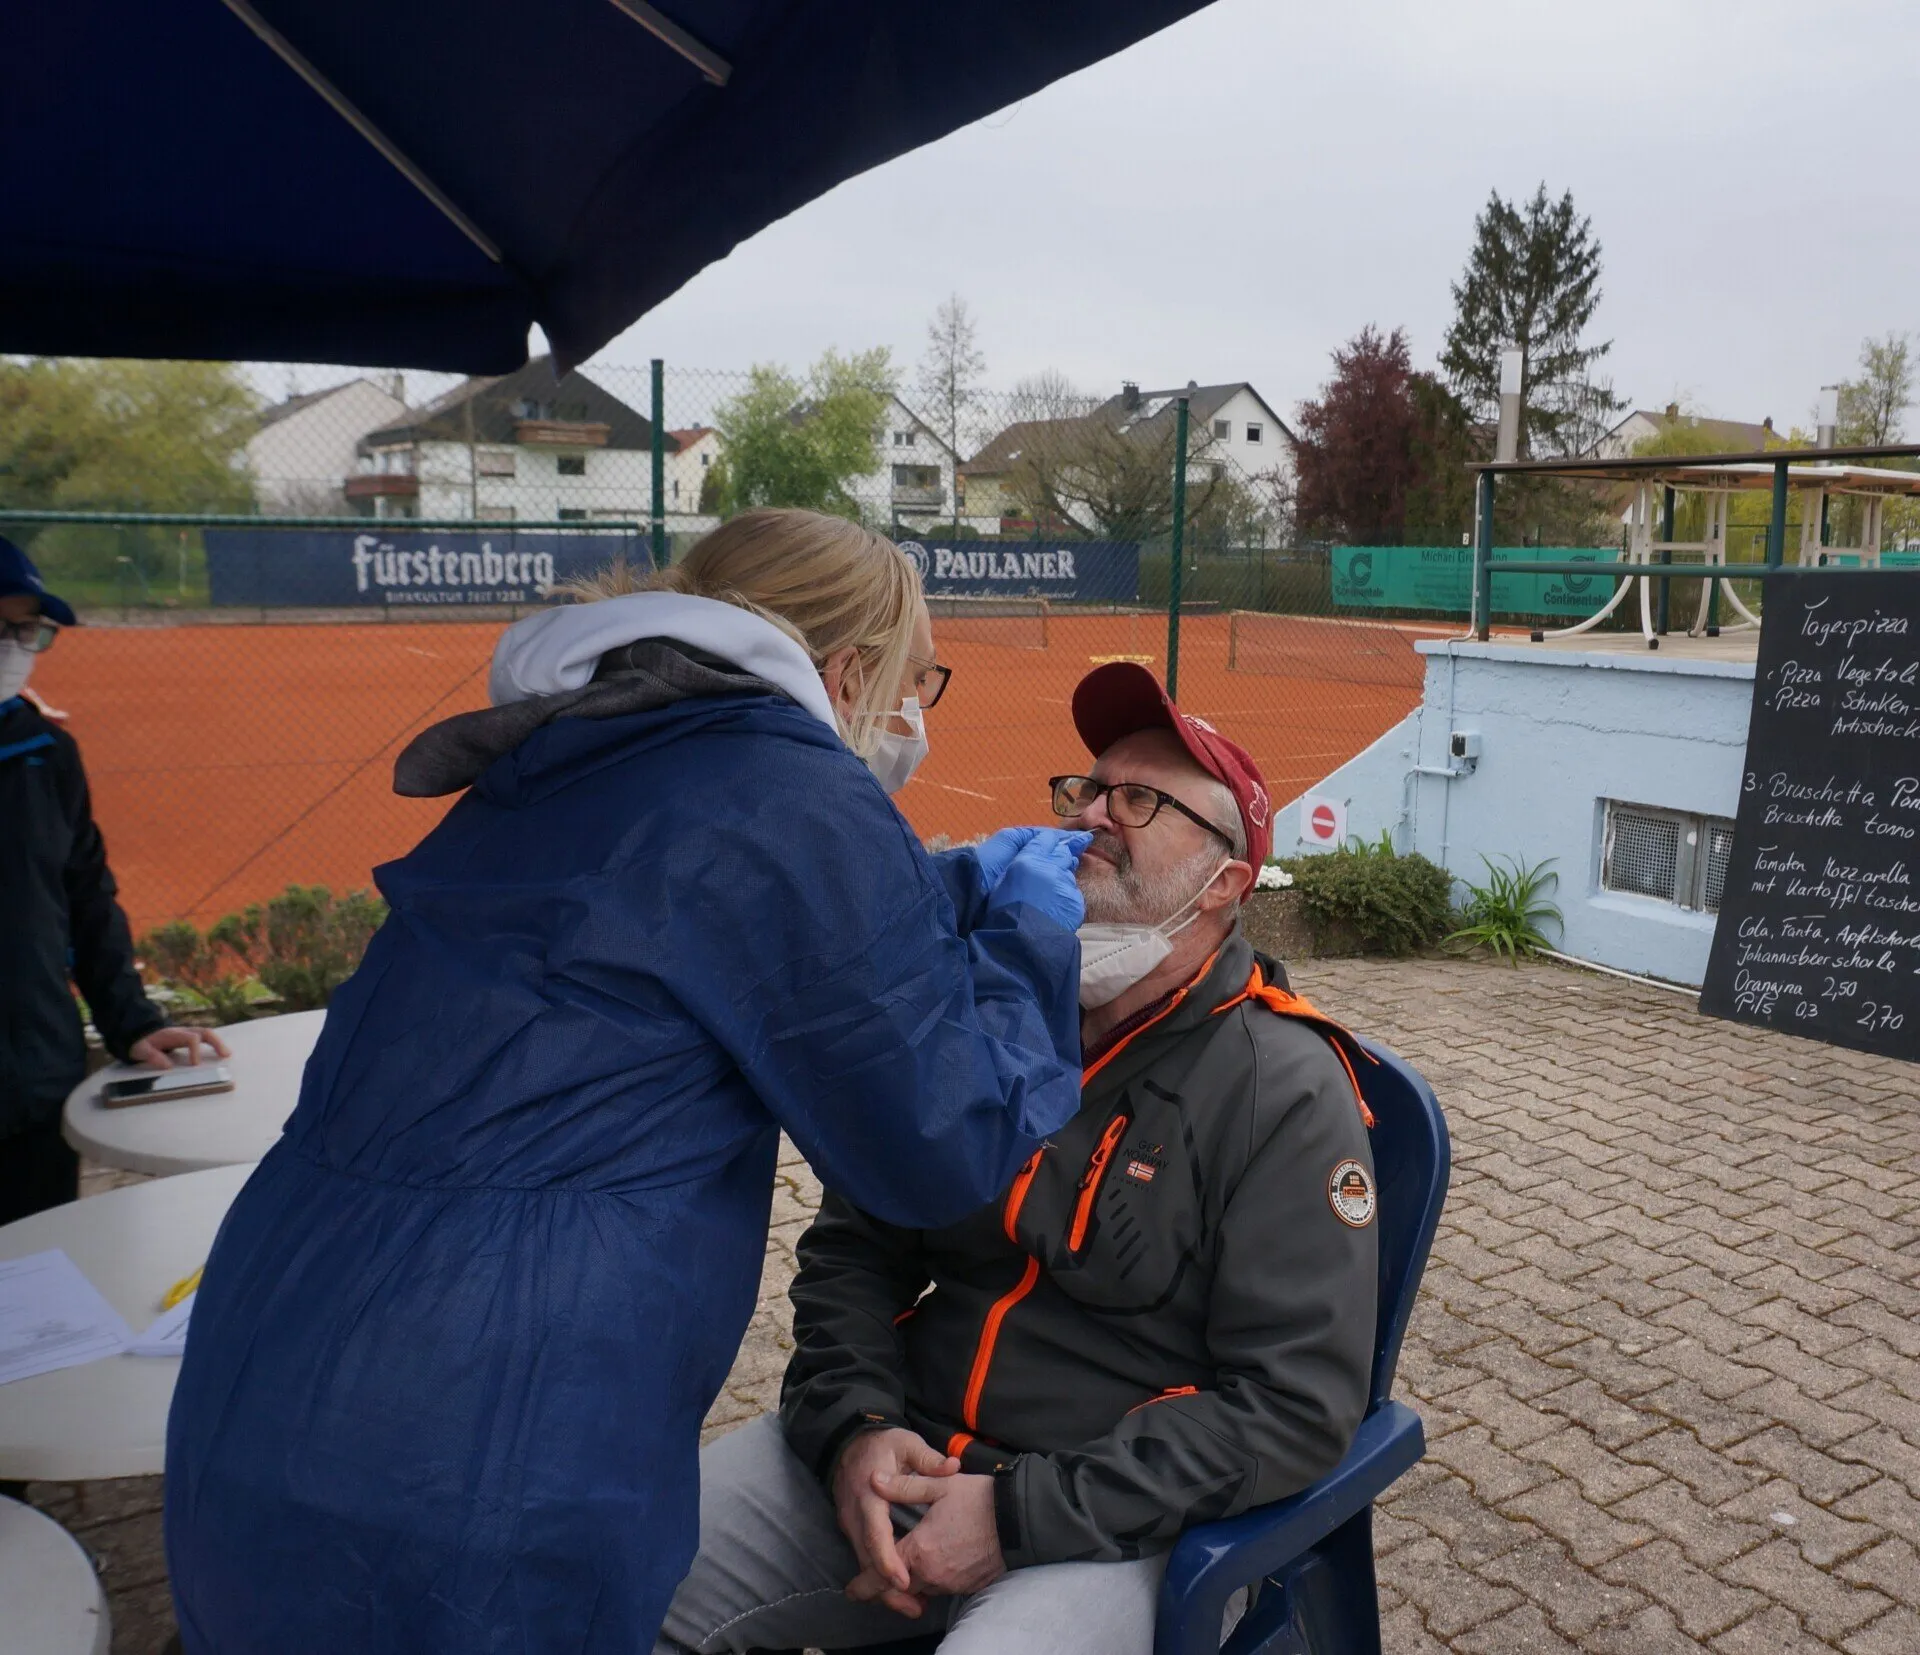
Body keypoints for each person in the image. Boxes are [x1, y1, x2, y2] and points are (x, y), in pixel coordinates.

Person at [165, 509, 1093, 1655]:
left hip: (275, 1343)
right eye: (916, 679)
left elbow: (704, 924)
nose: (913, 712)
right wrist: (1029, 938)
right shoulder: (790, 786)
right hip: (488, 1412)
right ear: (850, 671)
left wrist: (937, 893)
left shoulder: (573, 749)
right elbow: (944, 1142)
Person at [655, 661, 1380, 1655]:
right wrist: (854, 1425)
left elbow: (1292, 1406)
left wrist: (1013, 1514)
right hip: (902, 1453)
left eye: (1141, 799)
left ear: (1225, 883)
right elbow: (855, 1246)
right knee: (615, 1576)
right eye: (1088, 786)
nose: (1092, 813)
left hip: (1112, 1522)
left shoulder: (1283, 1088)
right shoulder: (992, 1006)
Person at [0, 536, 227, 1227]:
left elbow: (86, 899)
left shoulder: (44, 752)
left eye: (26, 630)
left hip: (33, 1082)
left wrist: (133, 1024)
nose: (13, 647)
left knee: (29, 1273)